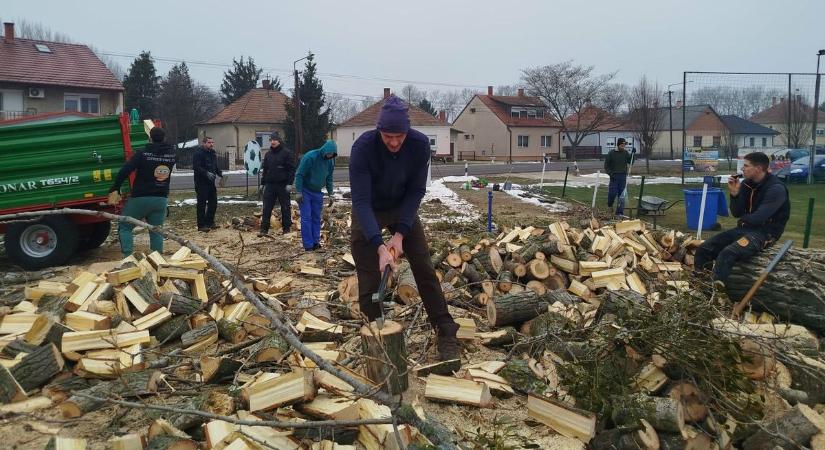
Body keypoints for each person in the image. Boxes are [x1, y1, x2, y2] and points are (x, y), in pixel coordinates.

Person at [349, 95, 460, 362]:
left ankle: (446, 332)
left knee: (423, 268)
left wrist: (400, 234)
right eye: (388, 136)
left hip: (402, 207)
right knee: (370, 281)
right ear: (379, 131)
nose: (395, 142)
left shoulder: (420, 145)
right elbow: (361, 201)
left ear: (408, 131)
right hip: (370, 209)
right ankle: (376, 339)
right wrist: (379, 246)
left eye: (400, 135)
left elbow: (416, 191)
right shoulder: (363, 148)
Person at [694, 152, 790, 285]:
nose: (742, 169)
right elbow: (737, 213)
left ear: (758, 168)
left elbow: (759, 218)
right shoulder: (746, 184)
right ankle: (700, 283)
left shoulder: (776, 189)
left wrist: (743, 220)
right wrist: (734, 194)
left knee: (728, 253)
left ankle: (716, 291)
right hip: (745, 229)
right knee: (704, 249)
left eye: (746, 166)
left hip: (765, 233)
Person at [108, 126, 176, 257]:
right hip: (161, 199)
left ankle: (128, 258)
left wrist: (116, 186)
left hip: (141, 197)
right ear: (164, 138)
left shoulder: (142, 154)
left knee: (125, 226)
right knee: (156, 230)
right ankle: (157, 260)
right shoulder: (171, 155)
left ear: (150, 138)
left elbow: (125, 170)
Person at [294, 139, 337, 250]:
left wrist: (331, 193)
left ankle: (315, 242)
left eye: (332, 154)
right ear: (324, 150)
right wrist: (298, 191)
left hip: (317, 192)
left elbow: (329, 178)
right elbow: (299, 174)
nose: (329, 156)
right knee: (306, 217)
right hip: (305, 191)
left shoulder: (330, 161)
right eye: (328, 153)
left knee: (316, 218)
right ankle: (308, 245)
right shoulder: (310, 157)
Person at [259, 133, 295, 236]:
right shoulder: (268, 154)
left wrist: (289, 183)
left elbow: (291, 169)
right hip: (270, 185)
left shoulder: (286, 153)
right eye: (271, 140)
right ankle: (264, 229)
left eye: (275, 140)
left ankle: (286, 228)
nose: (273, 142)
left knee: (285, 207)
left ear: (279, 141)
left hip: (282, 185)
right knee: (267, 207)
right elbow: (265, 170)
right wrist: (263, 183)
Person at [193, 136, 223, 232]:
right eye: (209, 142)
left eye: (212, 142)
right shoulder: (198, 153)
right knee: (201, 204)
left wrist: (219, 173)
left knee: (213, 203)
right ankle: (201, 225)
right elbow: (196, 167)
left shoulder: (212, 153)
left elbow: (215, 165)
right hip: (201, 182)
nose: (211, 144)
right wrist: (206, 173)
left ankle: (210, 222)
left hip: (211, 183)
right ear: (204, 143)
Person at [604, 138, 636, 216]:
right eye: (621, 145)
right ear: (618, 145)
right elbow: (606, 166)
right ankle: (610, 205)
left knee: (622, 195)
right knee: (612, 193)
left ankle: (619, 212)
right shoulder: (611, 153)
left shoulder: (625, 153)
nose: (623, 147)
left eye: (624, 146)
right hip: (614, 176)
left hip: (623, 176)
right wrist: (610, 174)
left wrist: (633, 154)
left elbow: (630, 162)